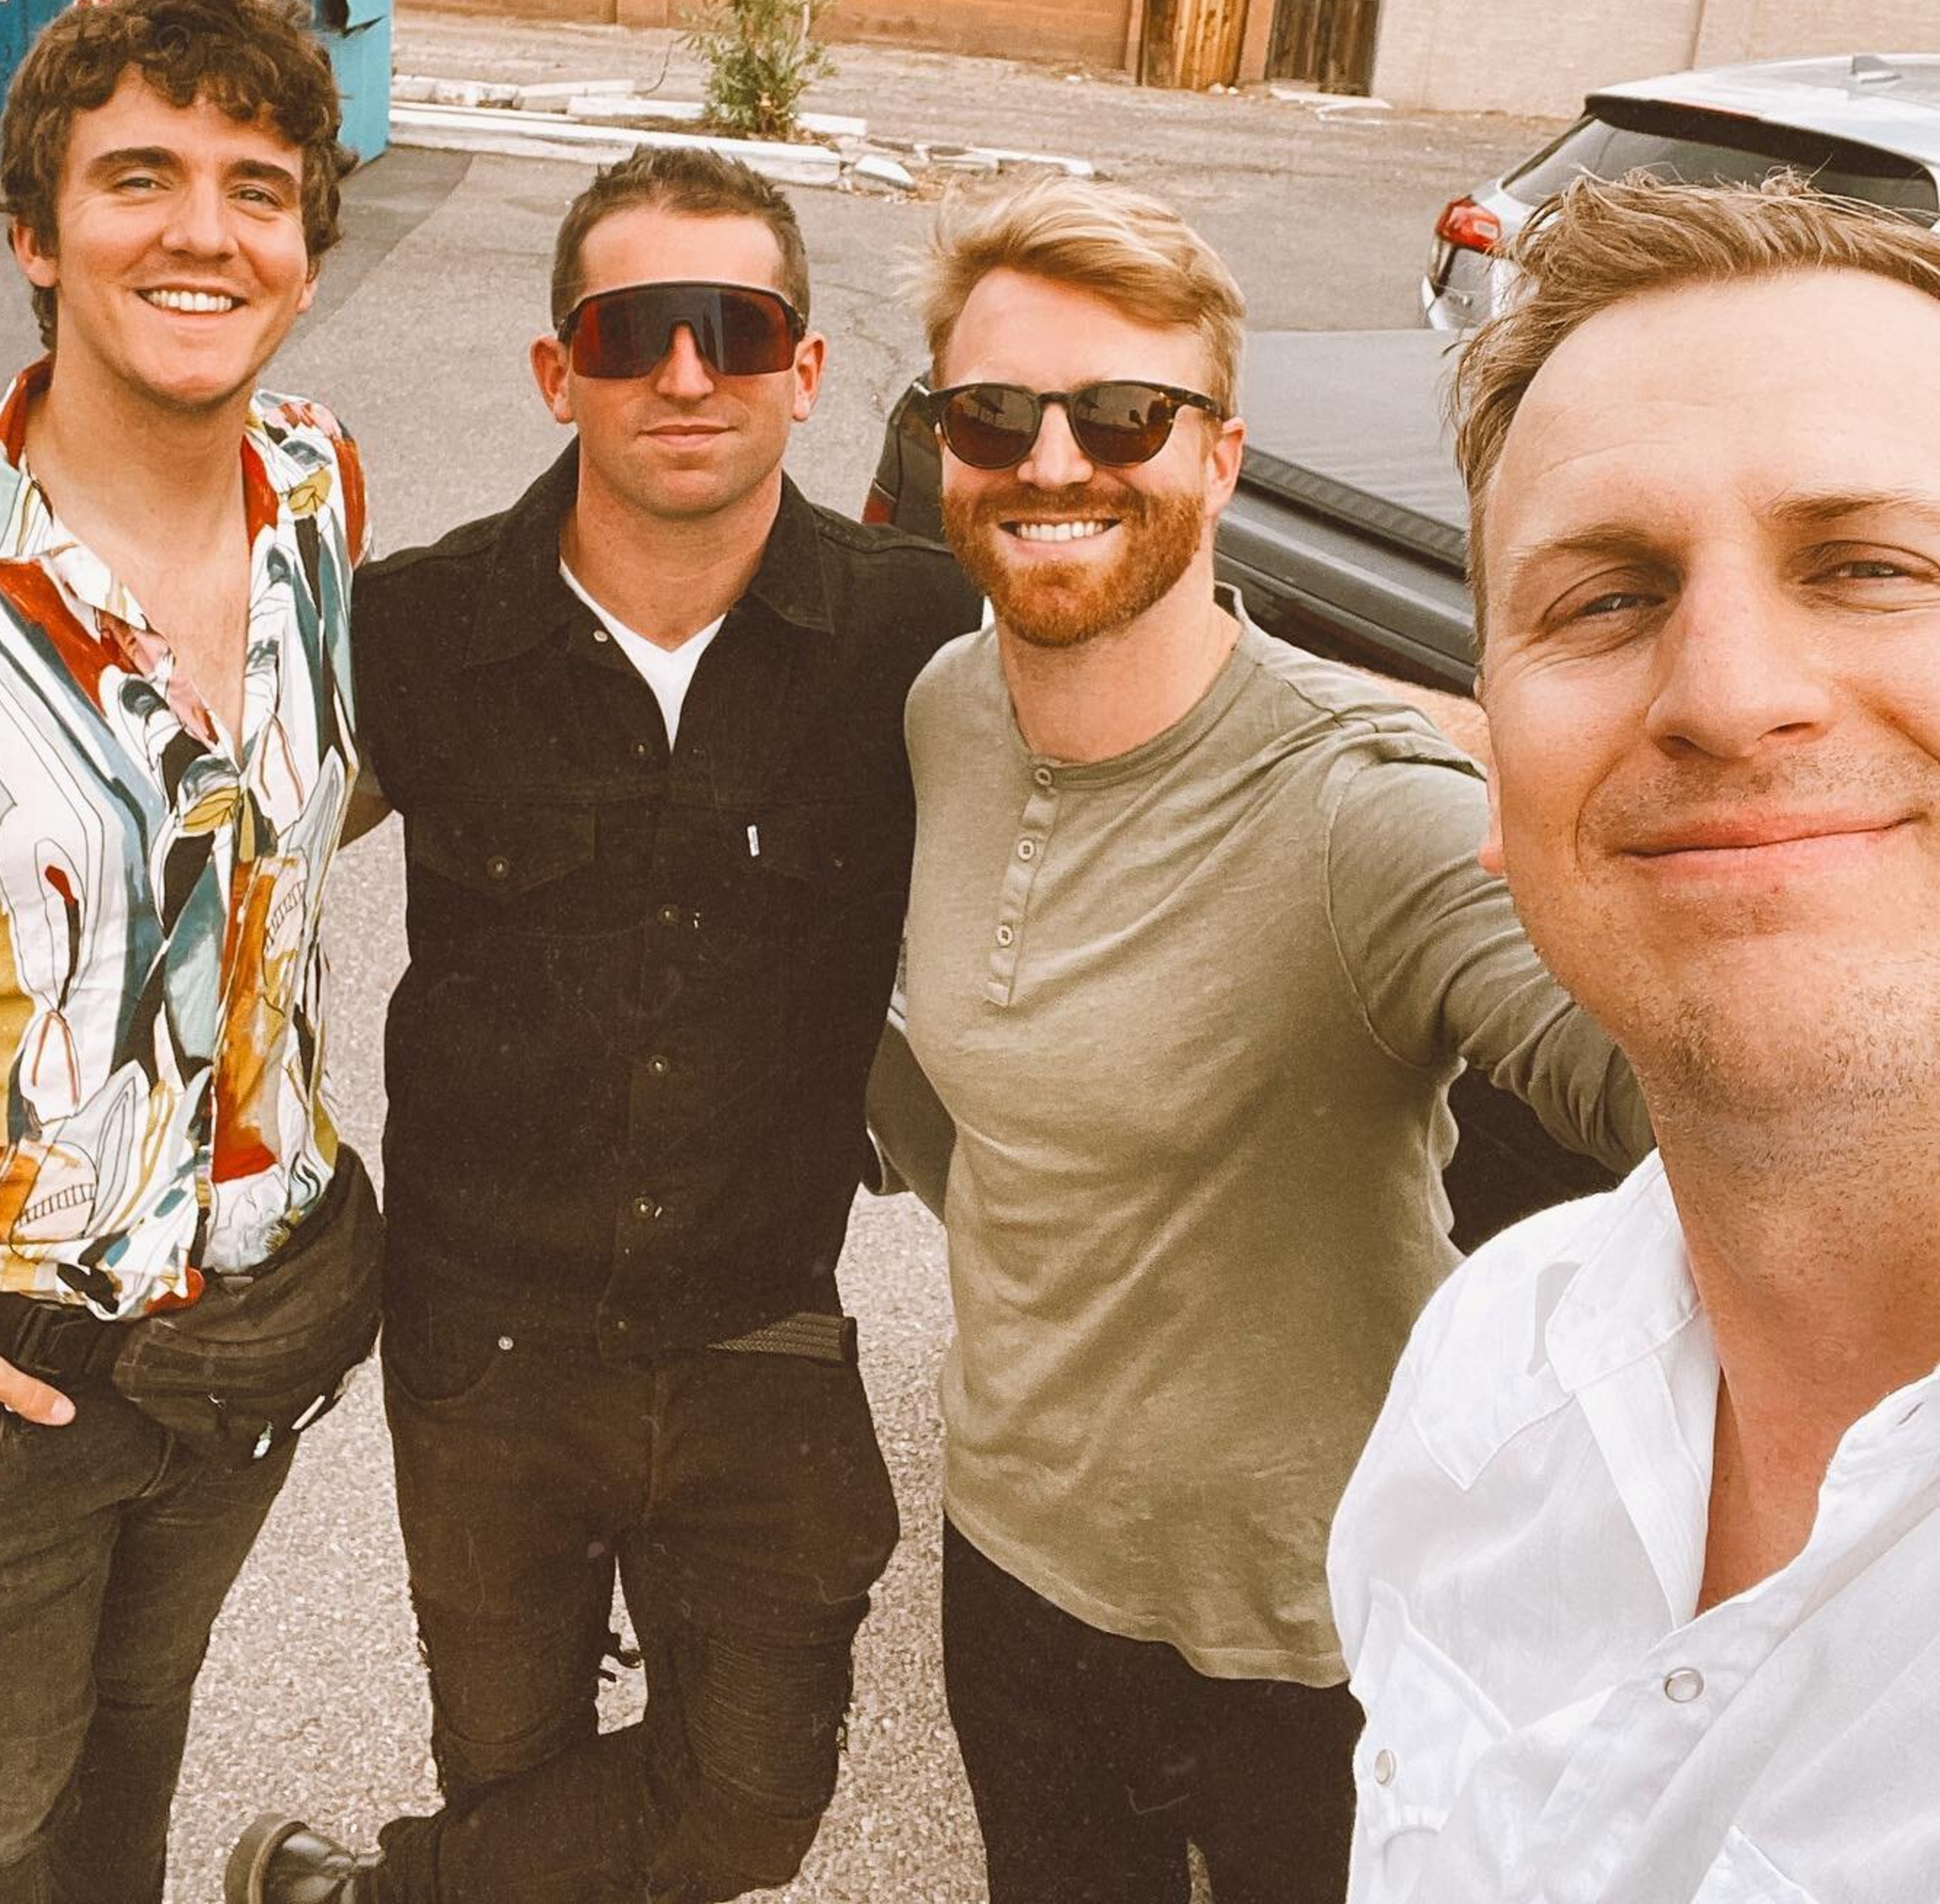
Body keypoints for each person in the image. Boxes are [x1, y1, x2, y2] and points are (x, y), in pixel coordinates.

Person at [227, 148, 978, 1904]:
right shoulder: (417, 629)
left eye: (739, 327)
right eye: (634, 331)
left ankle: (360, 1897)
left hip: (759, 1332)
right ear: (559, 371)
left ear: (807, 369)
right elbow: (209, 862)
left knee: (750, 1811)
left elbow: (1159, 697)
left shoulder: (918, 634)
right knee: (516, 1778)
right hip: (487, 1348)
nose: (687, 373)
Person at [897, 175, 1652, 1904]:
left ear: (1220, 458)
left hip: (1312, 1637)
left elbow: (1649, 1084)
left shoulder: (1365, 809)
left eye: (1124, 415)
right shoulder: (946, 708)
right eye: (994, 415)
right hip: (1010, 1562)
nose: (1052, 460)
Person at [1328, 175, 1940, 1902]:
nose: (1729, 696)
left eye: (1874, 568)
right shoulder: (1487, 1383)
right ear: (1498, 775)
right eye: (1603, 601)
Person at [0, 0, 373, 1904]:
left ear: (307, 247)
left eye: (258, 185)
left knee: (137, 1741)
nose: (203, 230)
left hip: (253, 1317)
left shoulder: (315, 486)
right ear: (36, 237)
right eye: (140, 176)